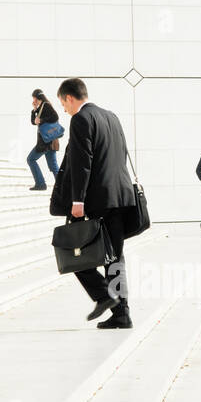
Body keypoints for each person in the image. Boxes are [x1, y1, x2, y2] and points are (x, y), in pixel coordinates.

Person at [50, 77, 137, 329]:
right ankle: (122, 313)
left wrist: (78, 200)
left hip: (98, 199)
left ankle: (103, 294)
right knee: (114, 257)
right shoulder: (111, 117)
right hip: (121, 196)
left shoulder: (81, 119)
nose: (64, 110)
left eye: (62, 104)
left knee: (71, 248)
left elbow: (82, 162)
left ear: (69, 98)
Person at [27, 88, 60, 190]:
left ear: (37, 97)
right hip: (49, 141)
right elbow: (33, 122)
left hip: (45, 142)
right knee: (53, 167)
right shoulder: (40, 107)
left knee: (30, 159)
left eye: (34, 98)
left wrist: (41, 120)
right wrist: (34, 110)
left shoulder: (46, 105)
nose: (33, 100)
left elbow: (55, 117)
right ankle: (62, 187)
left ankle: (40, 183)